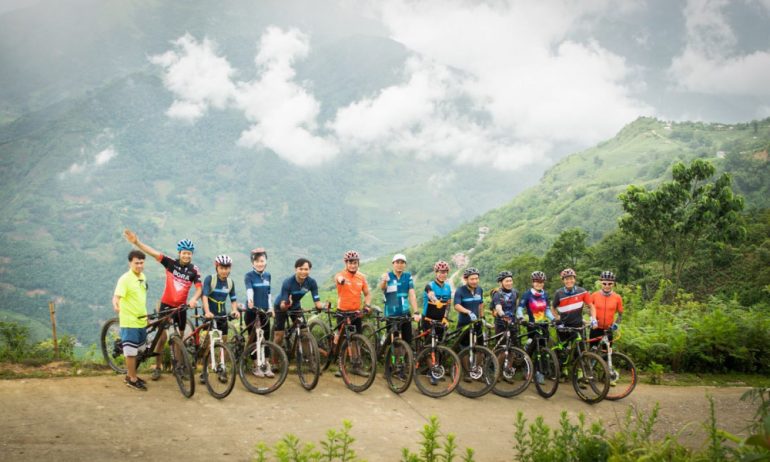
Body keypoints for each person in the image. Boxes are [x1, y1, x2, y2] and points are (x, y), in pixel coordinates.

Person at [123, 229, 202, 380]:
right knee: (163, 337)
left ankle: (178, 367)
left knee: (179, 338)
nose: (186, 255)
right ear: (179, 253)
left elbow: (199, 288)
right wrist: (136, 242)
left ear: (192, 254)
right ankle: (158, 367)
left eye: (189, 253)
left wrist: (193, 299)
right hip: (166, 305)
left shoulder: (194, 270)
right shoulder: (170, 263)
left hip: (181, 308)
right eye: (184, 252)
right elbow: (153, 253)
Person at [112, 250, 149, 391]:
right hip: (129, 320)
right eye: (136, 263)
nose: (139, 265)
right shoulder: (125, 279)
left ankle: (131, 375)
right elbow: (116, 296)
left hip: (141, 320)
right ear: (130, 263)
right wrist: (115, 303)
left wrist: (146, 316)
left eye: (141, 262)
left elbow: (141, 299)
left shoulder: (143, 277)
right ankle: (131, 379)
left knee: (139, 350)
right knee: (131, 352)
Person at [200, 254, 240, 383]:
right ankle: (204, 370)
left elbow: (233, 299)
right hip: (210, 314)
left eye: (227, 268)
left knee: (223, 343)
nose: (224, 271)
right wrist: (207, 312)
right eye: (222, 268)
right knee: (207, 343)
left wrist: (234, 310)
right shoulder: (210, 279)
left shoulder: (230, 282)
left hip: (222, 314)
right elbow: (204, 296)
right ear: (216, 267)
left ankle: (222, 369)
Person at [272, 258, 324, 352]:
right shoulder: (288, 282)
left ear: (309, 270)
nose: (303, 272)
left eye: (306, 269)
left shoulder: (311, 282)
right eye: (301, 269)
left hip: (296, 306)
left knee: (304, 331)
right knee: (279, 335)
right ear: (295, 269)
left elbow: (317, 300)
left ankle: (309, 359)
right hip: (280, 306)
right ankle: (274, 362)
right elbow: (283, 305)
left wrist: (321, 306)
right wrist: (287, 304)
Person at [516, 271, 554, 384]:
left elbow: (547, 310)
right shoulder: (527, 294)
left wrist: (553, 319)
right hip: (532, 326)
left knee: (542, 350)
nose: (539, 284)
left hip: (543, 326)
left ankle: (539, 373)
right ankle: (527, 370)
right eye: (537, 282)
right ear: (533, 282)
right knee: (531, 350)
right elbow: (520, 308)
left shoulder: (545, 294)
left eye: (541, 282)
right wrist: (522, 318)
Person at [379, 253, 420, 345]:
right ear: (393, 263)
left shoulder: (408, 276)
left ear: (405, 265)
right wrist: (384, 281)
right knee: (392, 342)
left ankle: (406, 358)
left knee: (408, 341)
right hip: (391, 313)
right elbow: (382, 288)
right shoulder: (387, 276)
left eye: (402, 262)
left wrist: (416, 311)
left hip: (405, 313)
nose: (400, 265)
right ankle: (387, 354)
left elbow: (412, 294)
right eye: (397, 262)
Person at [551, 268, 596, 347]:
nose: (569, 281)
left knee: (580, 350)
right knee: (563, 348)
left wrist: (594, 319)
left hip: (578, 326)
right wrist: (557, 317)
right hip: (564, 326)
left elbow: (591, 306)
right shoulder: (558, 293)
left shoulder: (582, 291)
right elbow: (553, 307)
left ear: (574, 279)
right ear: (563, 281)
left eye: (571, 278)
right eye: (566, 279)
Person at [334, 250, 372, 333]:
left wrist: (367, 305)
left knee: (357, 339)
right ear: (346, 264)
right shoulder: (340, 274)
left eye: (355, 263)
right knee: (343, 340)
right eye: (350, 263)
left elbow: (367, 294)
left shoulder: (361, 277)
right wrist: (341, 280)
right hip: (342, 313)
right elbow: (338, 278)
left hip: (356, 313)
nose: (353, 265)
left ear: (358, 263)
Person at [243, 248, 271, 348]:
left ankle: (266, 363)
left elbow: (268, 293)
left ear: (266, 261)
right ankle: (255, 363)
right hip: (252, 311)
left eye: (262, 261)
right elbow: (249, 289)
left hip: (264, 311)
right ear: (252, 263)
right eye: (257, 261)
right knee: (253, 339)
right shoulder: (249, 276)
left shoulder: (268, 275)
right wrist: (251, 301)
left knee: (266, 338)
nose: (259, 264)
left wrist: (270, 308)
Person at [453, 267, 484, 348]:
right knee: (464, 350)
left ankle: (479, 361)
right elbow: (456, 305)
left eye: (476, 278)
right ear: (466, 279)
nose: (475, 281)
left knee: (481, 348)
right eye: (472, 279)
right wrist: (468, 312)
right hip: (464, 324)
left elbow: (481, 304)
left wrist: (482, 317)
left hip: (476, 323)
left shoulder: (479, 290)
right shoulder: (460, 290)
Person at [421, 260, 453, 340]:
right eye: (440, 272)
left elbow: (448, 304)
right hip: (428, 318)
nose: (443, 274)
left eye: (445, 272)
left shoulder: (448, 287)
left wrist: (445, 317)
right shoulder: (429, 285)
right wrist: (436, 301)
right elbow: (431, 295)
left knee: (440, 343)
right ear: (436, 272)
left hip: (440, 319)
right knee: (429, 344)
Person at [590, 271, 623, 344]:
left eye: (610, 284)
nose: (607, 286)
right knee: (593, 351)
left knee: (607, 352)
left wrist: (616, 323)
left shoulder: (617, 297)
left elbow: (620, 313)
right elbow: (589, 309)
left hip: (609, 329)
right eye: (604, 283)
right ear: (601, 283)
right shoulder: (594, 295)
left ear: (613, 284)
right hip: (595, 328)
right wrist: (592, 319)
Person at [491, 271, 519, 335]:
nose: (509, 283)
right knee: (502, 343)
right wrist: (503, 315)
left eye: (510, 280)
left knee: (515, 343)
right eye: (507, 281)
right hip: (501, 324)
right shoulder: (497, 293)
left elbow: (516, 307)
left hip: (513, 323)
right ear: (501, 283)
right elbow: (498, 307)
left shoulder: (515, 292)